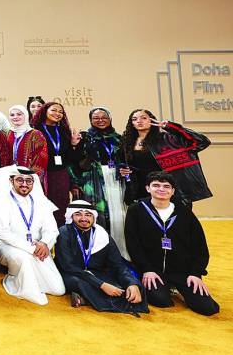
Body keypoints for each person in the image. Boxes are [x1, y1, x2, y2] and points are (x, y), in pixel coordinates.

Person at [124, 172, 219, 316]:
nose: (161, 189)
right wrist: (146, 269)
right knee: (162, 301)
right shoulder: (136, 210)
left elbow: (199, 246)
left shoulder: (184, 212)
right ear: (148, 188)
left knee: (208, 308)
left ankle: (175, 285)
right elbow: (133, 243)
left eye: (166, 186)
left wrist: (195, 273)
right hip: (153, 270)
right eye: (156, 185)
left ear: (173, 191)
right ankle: (165, 287)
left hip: (181, 271)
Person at [0, 165, 65, 305]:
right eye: (20, 180)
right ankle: (14, 279)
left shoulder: (42, 202)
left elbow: (52, 229)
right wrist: (31, 248)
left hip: (38, 248)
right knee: (24, 258)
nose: (24, 184)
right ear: (11, 181)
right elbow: (2, 233)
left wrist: (45, 244)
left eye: (28, 181)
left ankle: (28, 277)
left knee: (58, 289)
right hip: (7, 247)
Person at [55, 200, 147, 313]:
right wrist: (101, 285)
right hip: (71, 273)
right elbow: (68, 266)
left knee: (127, 287)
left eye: (88, 215)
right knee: (79, 283)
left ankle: (85, 299)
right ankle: (87, 297)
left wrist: (132, 284)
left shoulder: (102, 235)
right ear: (71, 216)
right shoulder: (64, 232)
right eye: (78, 214)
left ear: (94, 217)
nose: (84, 218)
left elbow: (118, 265)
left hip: (96, 273)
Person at [122, 109, 212, 207]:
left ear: (152, 120)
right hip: (142, 192)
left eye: (143, 118)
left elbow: (202, 141)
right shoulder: (127, 142)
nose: (139, 121)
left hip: (168, 191)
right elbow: (123, 164)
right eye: (134, 119)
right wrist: (122, 170)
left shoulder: (168, 139)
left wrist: (170, 126)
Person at [78, 107, 130, 256]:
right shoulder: (85, 138)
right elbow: (78, 162)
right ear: (91, 120)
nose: (100, 120)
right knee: (101, 215)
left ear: (110, 119)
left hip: (117, 179)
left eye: (104, 117)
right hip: (95, 180)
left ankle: (122, 252)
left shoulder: (119, 138)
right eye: (96, 118)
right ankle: (102, 253)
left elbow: (127, 158)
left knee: (119, 215)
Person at [32, 101, 82, 224]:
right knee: (43, 207)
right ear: (45, 111)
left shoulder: (64, 131)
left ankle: (60, 236)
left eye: (61, 112)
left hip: (61, 175)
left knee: (61, 207)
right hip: (43, 176)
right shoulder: (35, 130)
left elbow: (70, 158)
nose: (57, 113)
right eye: (54, 110)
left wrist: (73, 145)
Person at [6, 104, 48, 178]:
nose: (15, 117)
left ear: (25, 115)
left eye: (19, 114)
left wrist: (31, 175)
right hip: (11, 175)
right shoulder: (9, 133)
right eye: (12, 115)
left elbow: (42, 156)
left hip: (30, 177)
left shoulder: (36, 134)